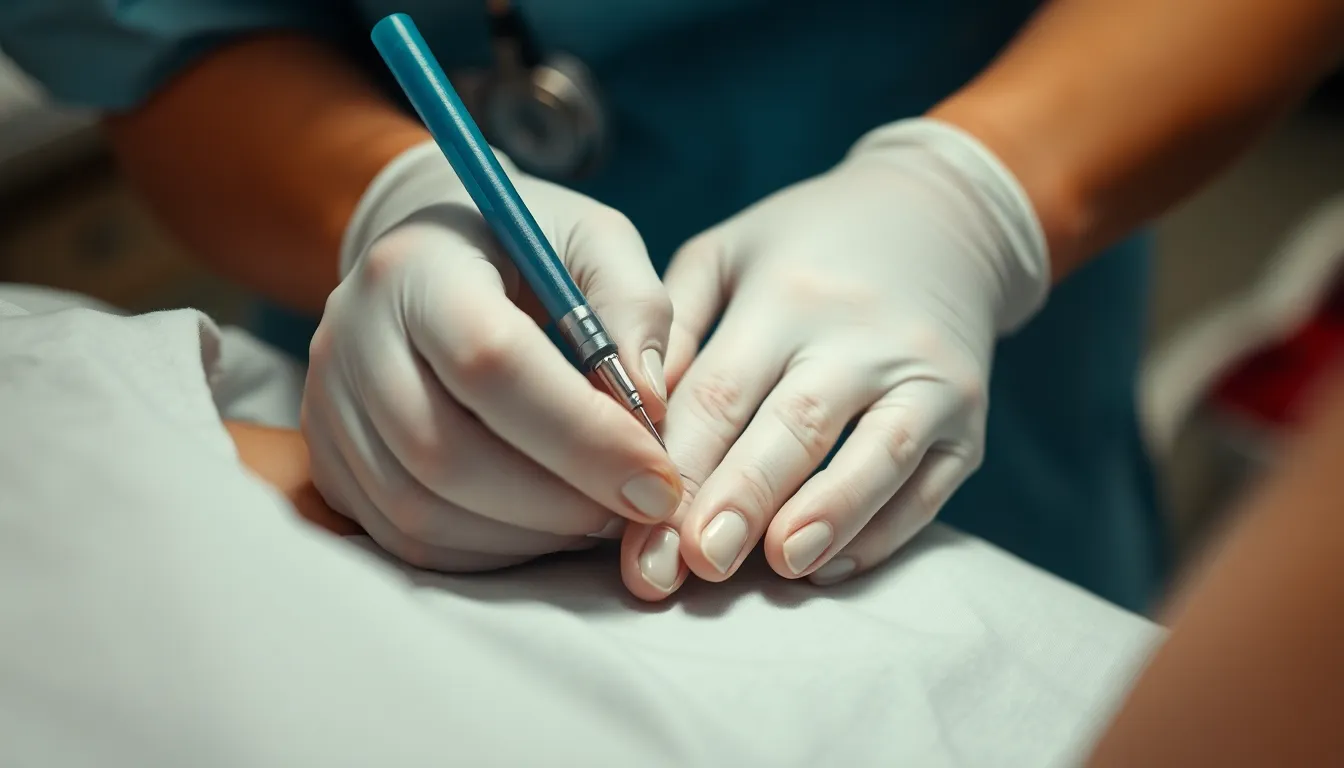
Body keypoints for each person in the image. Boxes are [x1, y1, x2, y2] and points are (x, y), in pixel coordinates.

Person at [3, 0, 1342, 611]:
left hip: (1005, 436)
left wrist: (977, 195)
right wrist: (383, 203)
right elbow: (151, 34)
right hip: (408, 416)